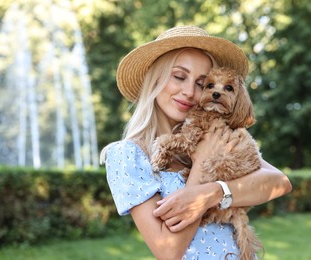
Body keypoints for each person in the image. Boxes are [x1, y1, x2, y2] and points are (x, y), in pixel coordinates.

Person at [101, 25, 292, 260]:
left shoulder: (216, 135)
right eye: (179, 77)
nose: (190, 92)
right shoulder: (128, 155)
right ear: (156, 80)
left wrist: (215, 193)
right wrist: (201, 164)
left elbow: (279, 182)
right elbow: (168, 250)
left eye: (202, 83)